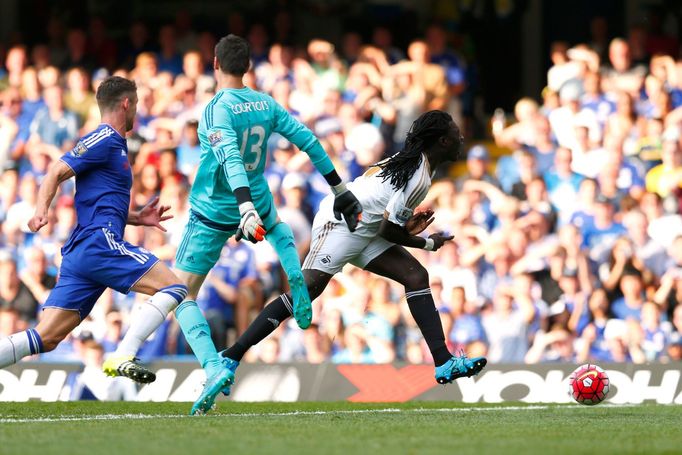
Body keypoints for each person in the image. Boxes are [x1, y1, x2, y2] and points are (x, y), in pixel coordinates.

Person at [129, 34, 361, 415]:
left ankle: (213, 364)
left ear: (216, 65)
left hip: (215, 209)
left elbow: (231, 159)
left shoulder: (216, 109)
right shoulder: (265, 103)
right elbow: (308, 140)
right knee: (280, 230)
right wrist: (339, 189)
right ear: (248, 67)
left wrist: (244, 208)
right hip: (260, 195)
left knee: (178, 291)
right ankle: (295, 276)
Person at [218, 110, 487, 396]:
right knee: (306, 293)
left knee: (416, 275)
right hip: (341, 223)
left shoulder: (417, 166)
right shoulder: (418, 174)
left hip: (364, 224)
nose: (461, 137)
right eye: (457, 133)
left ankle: (443, 362)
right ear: (443, 141)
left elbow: (388, 220)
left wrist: (408, 228)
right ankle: (231, 356)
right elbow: (387, 229)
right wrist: (427, 243)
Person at [0, 76, 189, 386]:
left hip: (85, 249)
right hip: (98, 243)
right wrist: (40, 211)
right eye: (136, 105)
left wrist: (137, 218)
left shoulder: (115, 145)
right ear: (126, 104)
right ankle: (124, 353)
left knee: (46, 337)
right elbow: (56, 171)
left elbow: (100, 201)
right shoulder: (103, 138)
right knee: (174, 287)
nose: (137, 112)